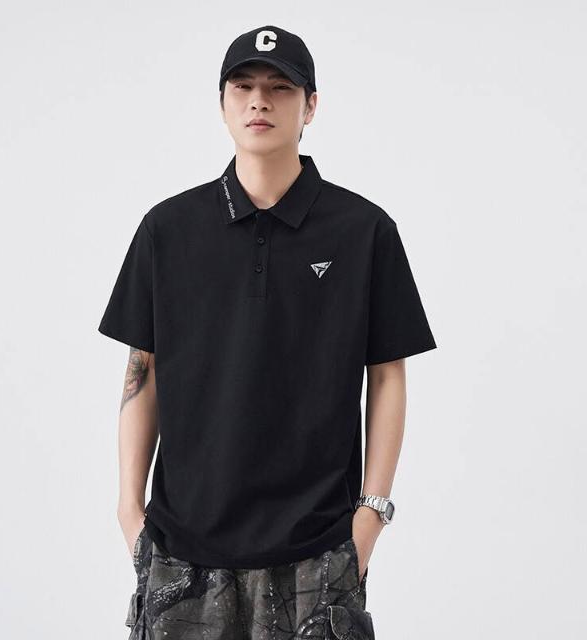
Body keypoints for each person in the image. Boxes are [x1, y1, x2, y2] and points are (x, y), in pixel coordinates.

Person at [98, 24, 437, 640]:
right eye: (244, 87)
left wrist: (370, 516)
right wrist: (129, 510)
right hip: (182, 549)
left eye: (280, 88)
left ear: (311, 105)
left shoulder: (364, 231)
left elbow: (388, 373)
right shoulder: (167, 230)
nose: (260, 101)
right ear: (222, 103)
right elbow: (142, 367)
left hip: (317, 549)